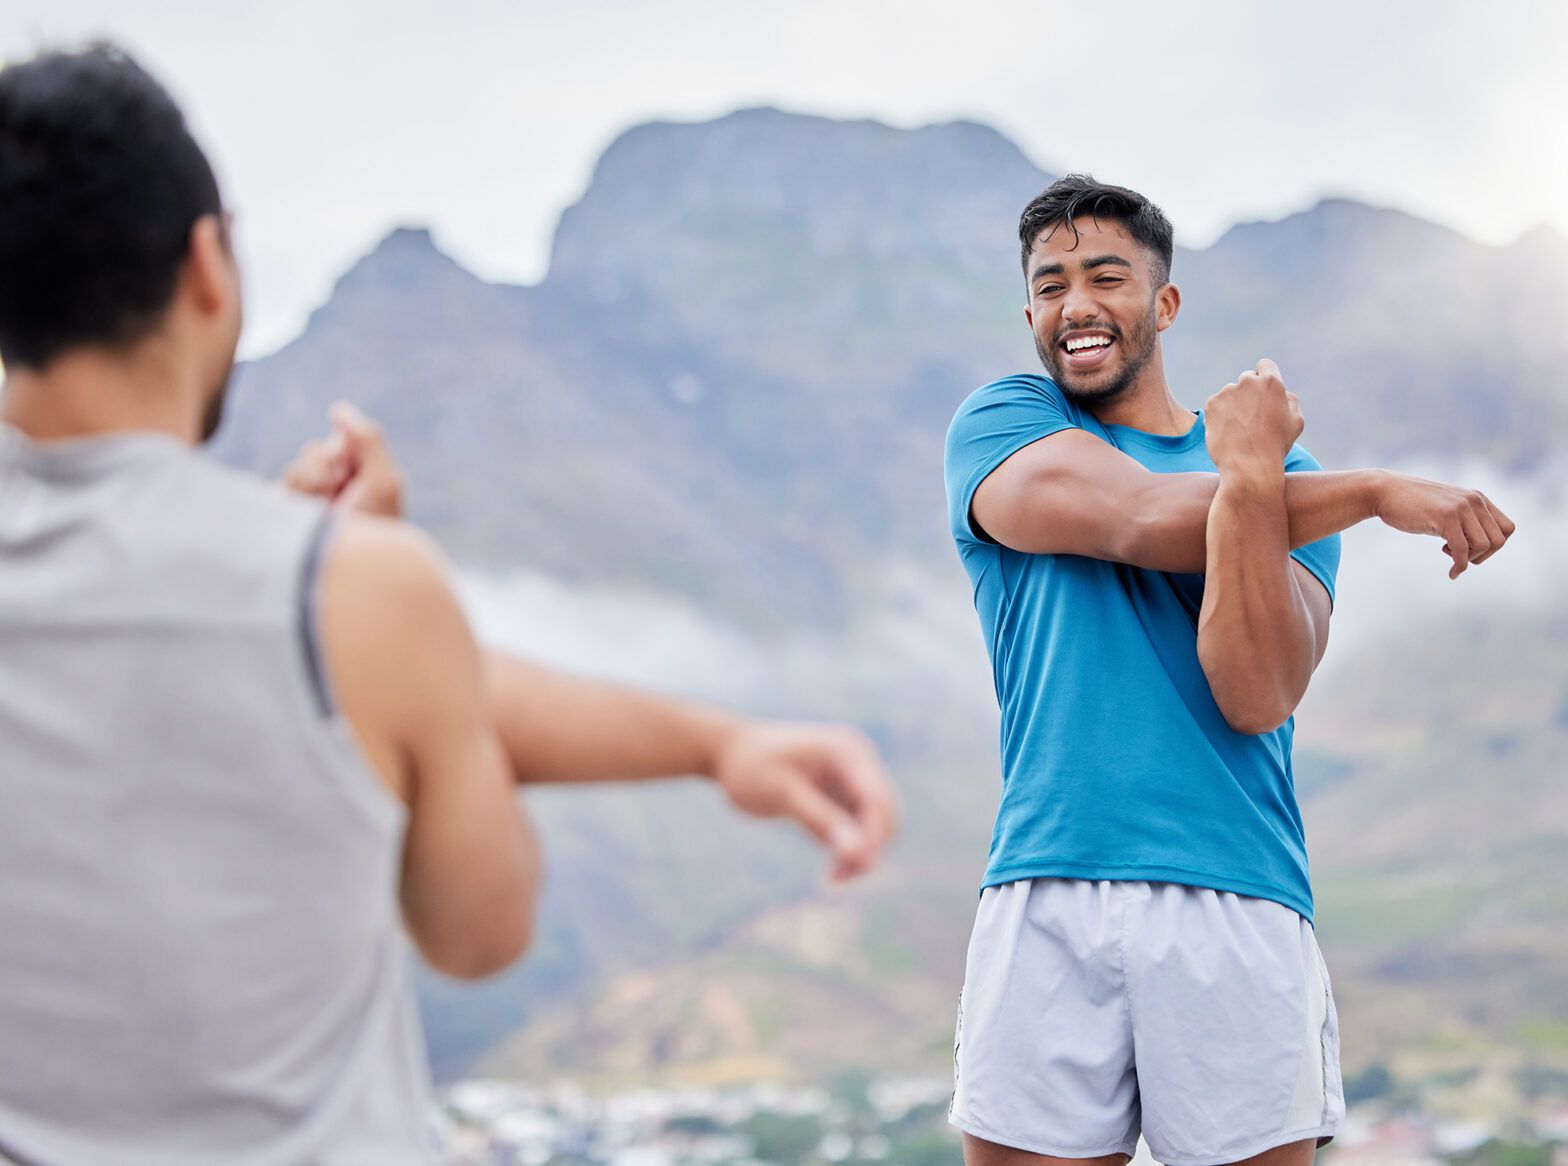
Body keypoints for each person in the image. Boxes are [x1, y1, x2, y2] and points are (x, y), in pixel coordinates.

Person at [0, 43, 897, 1166]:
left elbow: (386, 691)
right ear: (204, 269)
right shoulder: (355, 591)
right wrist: (346, 577)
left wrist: (719, 742)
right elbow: (478, 931)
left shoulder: (325, 591)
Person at [943, 175, 1514, 1166]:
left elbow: (1254, 692)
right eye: (1047, 286)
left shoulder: (1289, 486)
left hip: (1234, 893)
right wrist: (1366, 488)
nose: (1072, 304)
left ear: (1162, 306)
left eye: (1103, 276)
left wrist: (1260, 481)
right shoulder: (1004, 425)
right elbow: (1132, 516)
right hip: (1047, 880)